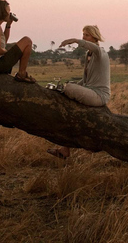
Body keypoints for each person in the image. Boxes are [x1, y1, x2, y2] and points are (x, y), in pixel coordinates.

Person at [47, 25, 110, 159]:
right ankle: (65, 150)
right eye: (83, 35)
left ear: (94, 37)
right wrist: (73, 85)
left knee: (68, 88)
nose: (84, 37)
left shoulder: (100, 52)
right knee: (70, 93)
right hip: (90, 91)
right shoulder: (89, 55)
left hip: (99, 95)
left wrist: (74, 40)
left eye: (86, 35)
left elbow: (92, 46)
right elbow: (85, 80)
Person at [0, 0, 35, 83]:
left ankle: (21, 73)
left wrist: (8, 25)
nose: (10, 14)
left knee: (24, 42)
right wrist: (9, 52)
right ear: (2, 12)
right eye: (8, 11)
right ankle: (22, 73)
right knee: (27, 41)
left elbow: (3, 42)